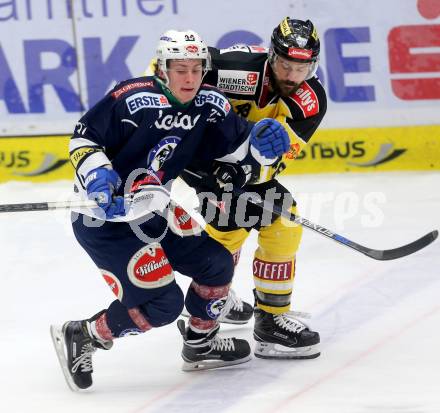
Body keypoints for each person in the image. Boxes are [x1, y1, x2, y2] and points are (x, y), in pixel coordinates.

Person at [50, 29, 290, 391]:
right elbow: (84, 138)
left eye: (196, 69)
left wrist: (263, 146)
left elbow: (237, 151)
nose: (190, 78)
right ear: (163, 68)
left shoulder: (210, 104)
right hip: (104, 220)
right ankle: (85, 334)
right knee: (163, 304)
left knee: (217, 264)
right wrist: (99, 177)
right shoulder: (131, 98)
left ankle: (200, 344)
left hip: (153, 210)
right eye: (180, 69)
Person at [179, 17, 327, 359]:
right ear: (271, 55)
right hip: (198, 157)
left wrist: (242, 171)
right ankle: (208, 309)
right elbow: (171, 70)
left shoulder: (310, 99)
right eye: (286, 65)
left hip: (244, 168)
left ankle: (261, 317)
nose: (292, 76)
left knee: (281, 222)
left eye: (301, 69)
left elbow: (275, 159)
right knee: (229, 227)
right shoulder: (233, 68)